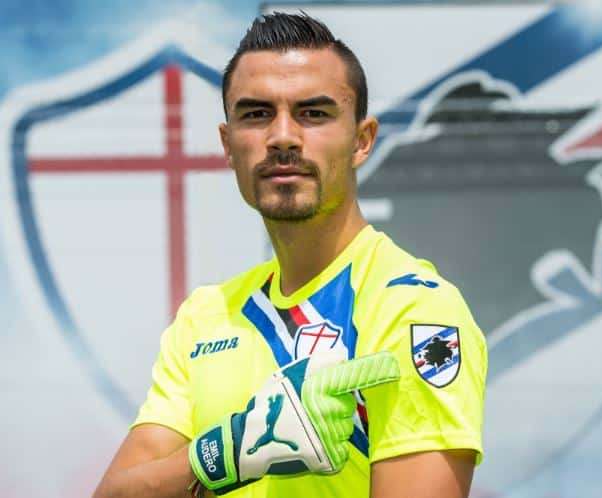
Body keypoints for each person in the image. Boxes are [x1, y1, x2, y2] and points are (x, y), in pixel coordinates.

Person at [93, 12, 486, 498]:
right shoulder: (206, 316)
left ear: (362, 141)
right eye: (256, 114)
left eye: (313, 114)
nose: (282, 136)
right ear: (228, 145)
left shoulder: (413, 310)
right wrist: (226, 454)